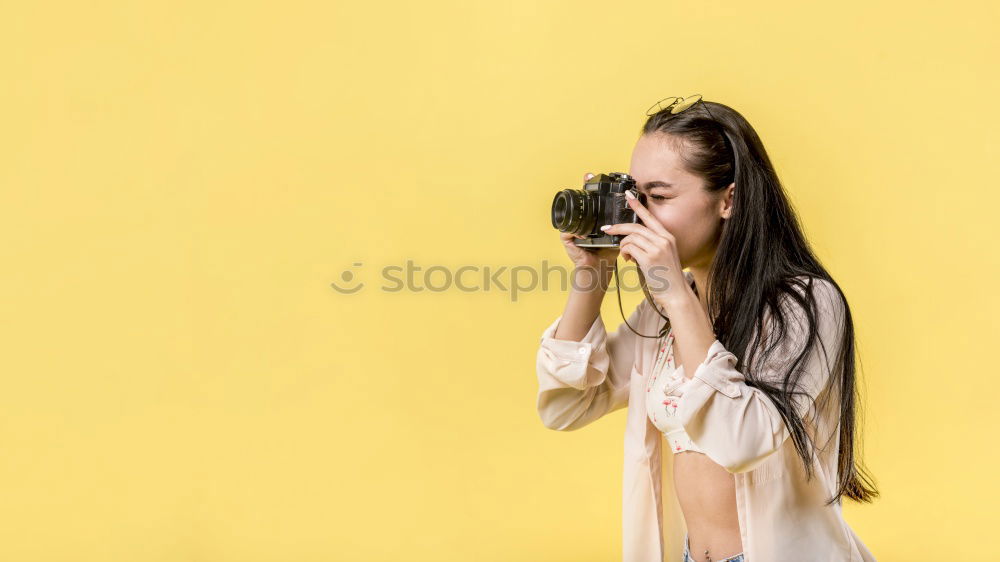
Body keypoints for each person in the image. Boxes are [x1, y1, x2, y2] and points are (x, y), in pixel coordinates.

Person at [534, 98, 878, 562]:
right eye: (634, 198)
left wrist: (676, 294)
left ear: (728, 199)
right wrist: (592, 273)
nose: (639, 216)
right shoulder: (663, 313)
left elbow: (741, 441)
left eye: (658, 197)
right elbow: (568, 405)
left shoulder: (806, 304)